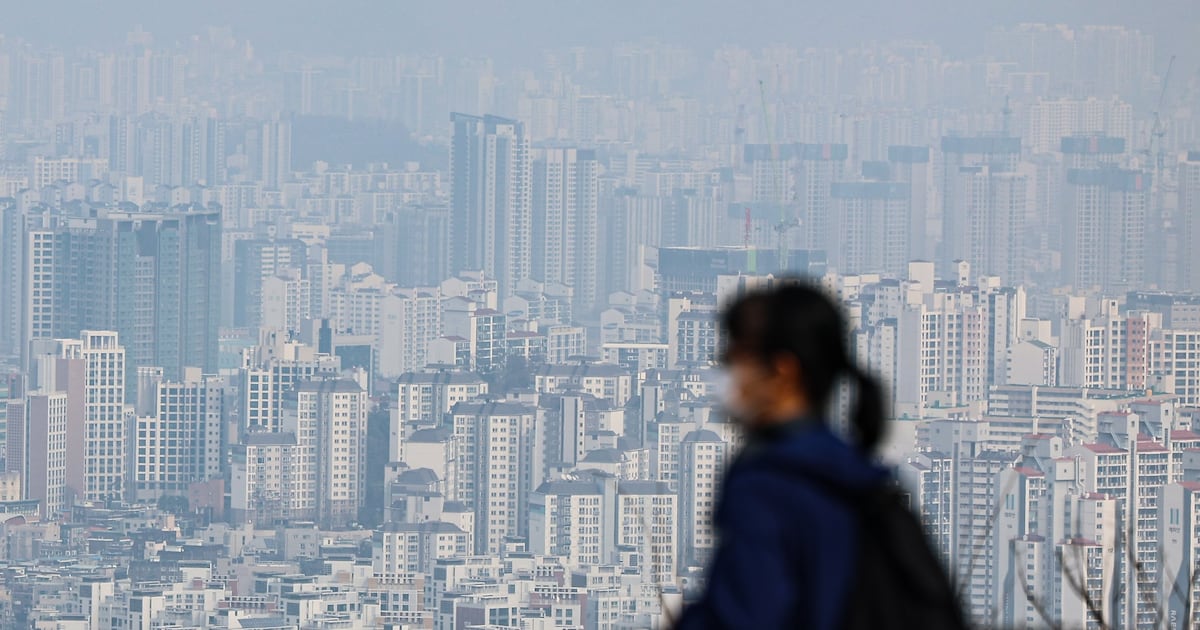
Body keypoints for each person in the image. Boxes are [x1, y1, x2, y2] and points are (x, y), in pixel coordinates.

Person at [672, 282, 892, 629]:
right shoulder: (853, 473)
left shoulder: (768, 488)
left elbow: (744, 616)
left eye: (734, 361)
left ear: (782, 372)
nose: (726, 378)